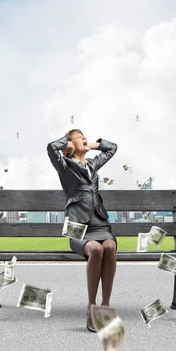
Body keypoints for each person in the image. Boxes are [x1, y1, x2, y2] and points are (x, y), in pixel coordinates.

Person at [46, 129, 118, 332]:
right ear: (69, 147)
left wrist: (91, 144)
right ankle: (91, 307)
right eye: (79, 137)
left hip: (100, 224)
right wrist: (68, 144)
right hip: (78, 228)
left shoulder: (93, 165)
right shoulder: (64, 166)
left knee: (110, 246)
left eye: (84, 136)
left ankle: (105, 305)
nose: (84, 138)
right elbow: (52, 147)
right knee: (95, 250)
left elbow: (112, 148)